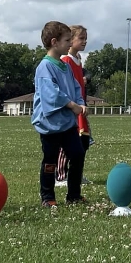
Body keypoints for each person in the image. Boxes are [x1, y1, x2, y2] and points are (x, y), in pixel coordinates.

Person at [32, 21, 88, 208]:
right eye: (67, 40)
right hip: (50, 125)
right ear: (55, 42)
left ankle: (73, 195)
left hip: (67, 124)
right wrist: (72, 105)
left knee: (78, 154)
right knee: (50, 161)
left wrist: (80, 102)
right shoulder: (45, 67)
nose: (70, 43)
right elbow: (51, 94)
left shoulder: (65, 66)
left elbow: (75, 86)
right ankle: (47, 197)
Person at [55, 25, 92, 187]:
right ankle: (61, 175)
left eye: (85, 38)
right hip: (70, 109)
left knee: (82, 143)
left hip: (80, 108)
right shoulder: (66, 60)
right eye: (81, 38)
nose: (85, 41)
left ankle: (76, 175)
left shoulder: (77, 60)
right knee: (66, 143)